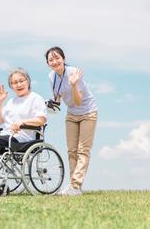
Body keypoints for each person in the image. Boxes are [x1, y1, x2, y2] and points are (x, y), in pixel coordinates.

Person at [45, 46, 98, 196]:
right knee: (71, 151)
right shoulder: (51, 77)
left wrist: (73, 84)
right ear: (48, 63)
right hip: (71, 114)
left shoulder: (73, 73)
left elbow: (78, 101)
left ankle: (75, 186)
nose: (55, 61)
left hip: (88, 112)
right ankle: (74, 187)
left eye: (57, 58)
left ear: (64, 59)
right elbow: (58, 99)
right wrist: (51, 103)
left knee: (83, 150)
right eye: (51, 60)